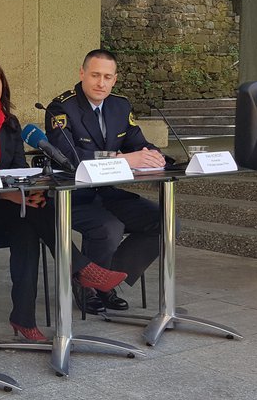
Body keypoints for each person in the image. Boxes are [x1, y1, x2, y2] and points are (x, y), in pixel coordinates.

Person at [0, 57, 127, 338]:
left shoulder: (12, 123)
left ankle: (23, 319)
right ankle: (82, 269)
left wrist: (30, 193)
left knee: (29, 225)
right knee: (34, 216)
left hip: (6, 205)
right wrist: (12, 197)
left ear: (3, 86)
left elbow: (19, 170)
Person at [46, 48, 177, 314]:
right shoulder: (61, 107)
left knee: (164, 221)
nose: (101, 83)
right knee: (109, 227)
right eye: (95, 75)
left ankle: (104, 279)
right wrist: (124, 159)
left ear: (115, 79)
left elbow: (138, 144)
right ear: (82, 74)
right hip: (73, 194)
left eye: (107, 77)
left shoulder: (120, 105)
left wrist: (153, 156)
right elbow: (69, 157)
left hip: (107, 193)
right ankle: (88, 286)